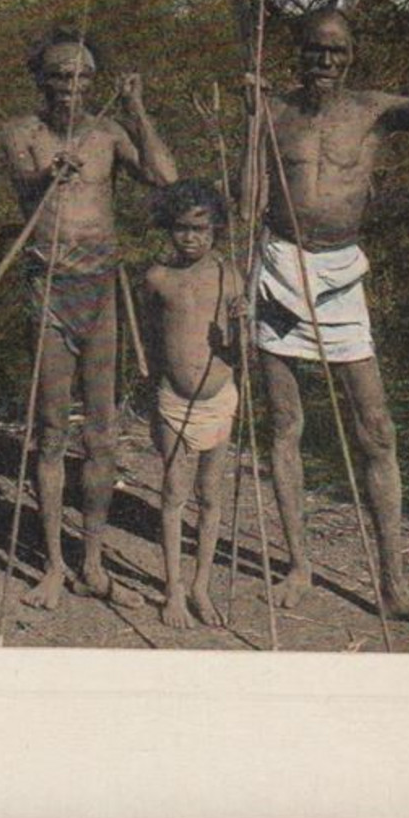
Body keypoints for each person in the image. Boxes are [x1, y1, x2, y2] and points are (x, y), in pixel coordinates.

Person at [247, 0, 409, 628]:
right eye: (313, 50)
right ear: (298, 53)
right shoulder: (269, 108)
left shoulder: (374, 109)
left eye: (336, 51)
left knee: (375, 430)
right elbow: (243, 187)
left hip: (340, 272)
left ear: (350, 59)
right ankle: (297, 564)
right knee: (283, 424)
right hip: (275, 262)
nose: (324, 60)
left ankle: (393, 584)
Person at [0, 28, 177, 610]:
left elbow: (167, 180)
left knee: (101, 432)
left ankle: (93, 563)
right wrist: (49, 173)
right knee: (51, 432)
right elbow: (25, 186)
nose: (72, 88)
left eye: (83, 78)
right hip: (49, 290)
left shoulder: (109, 135)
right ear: (41, 80)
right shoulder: (22, 134)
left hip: (101, 290)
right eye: (60, 76)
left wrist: (137, 109)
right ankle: (51, 564)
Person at [140, 180, 245, 629]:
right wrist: (147, 387)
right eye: (181, 228)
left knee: (210, 495)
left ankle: (202, 584)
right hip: (172, 402)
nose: (191, 237)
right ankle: (174, 590)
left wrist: (242, 328)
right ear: (168, 228)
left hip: (219, 396)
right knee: (173, 494)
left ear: (216, 229)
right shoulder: (157, 278)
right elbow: (150, 340)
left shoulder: (231, 276)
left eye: (201, 229)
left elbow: (244, 351)